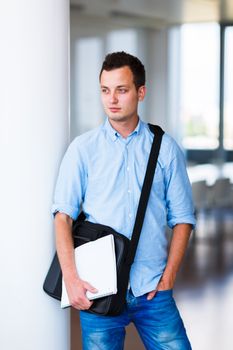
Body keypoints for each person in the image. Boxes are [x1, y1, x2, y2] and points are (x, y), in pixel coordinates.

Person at [52, 51, 196, 350]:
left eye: (121, 89)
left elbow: (183, 218)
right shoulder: (83, 149)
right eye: (105, 90)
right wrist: (72, 279)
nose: (112, 99)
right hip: (98, 292)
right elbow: (62, 217)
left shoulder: (166, 149)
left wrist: (168, 278)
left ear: (140, 92)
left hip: (153, 291)